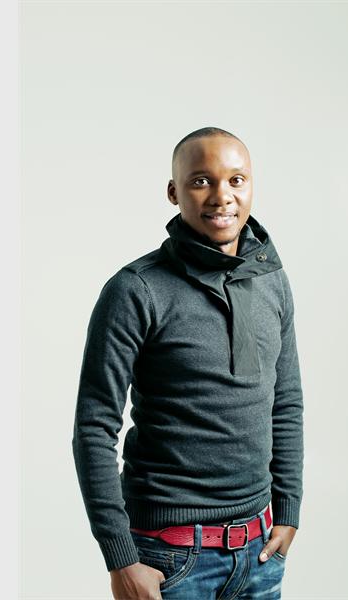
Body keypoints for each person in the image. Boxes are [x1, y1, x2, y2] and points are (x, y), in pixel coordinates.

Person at [72, 126, 304, 599]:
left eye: (236, 180)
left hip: (259, 551)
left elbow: (285, 400)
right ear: (173, 192)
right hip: (169, 558)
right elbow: (93, 427)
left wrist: (288, 508)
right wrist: (121, 560)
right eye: (201, 181)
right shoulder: (136, 290)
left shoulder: (272, 280)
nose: (222, 196)